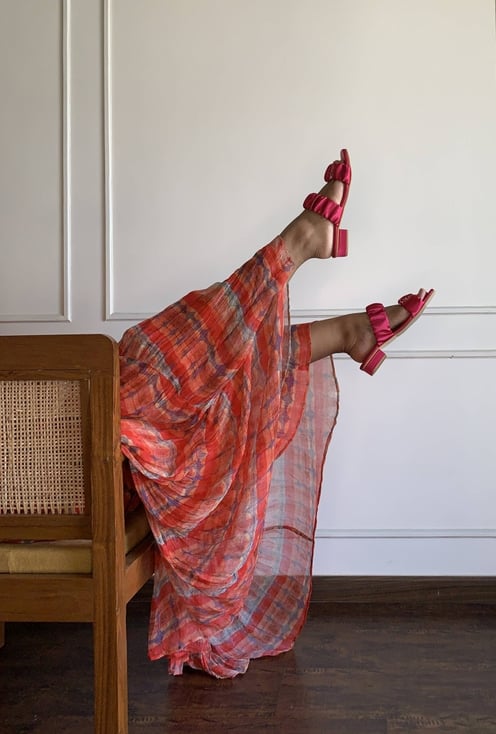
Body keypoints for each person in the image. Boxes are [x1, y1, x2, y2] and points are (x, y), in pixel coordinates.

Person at [119, 149, 433, 678]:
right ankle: (309, 273)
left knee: (174, 372)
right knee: (156, 377)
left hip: (117, 426)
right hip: (109, 448)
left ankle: (324, 296)